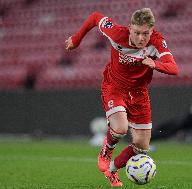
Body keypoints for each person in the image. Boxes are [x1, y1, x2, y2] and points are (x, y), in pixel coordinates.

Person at [65, 8, 178, 187]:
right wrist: (77, 39)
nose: (141, 38)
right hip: (114, 86)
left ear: (152, 30)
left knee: (142, 146)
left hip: (140, 94)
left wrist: (155, 64)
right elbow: (95, 17)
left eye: (146, 33)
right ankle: (105, 153)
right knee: (120, 128)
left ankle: (111, 169)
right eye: (137, 33)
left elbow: (174, 68)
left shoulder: (157, 42)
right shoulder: (117, 33)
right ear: (130, 28)